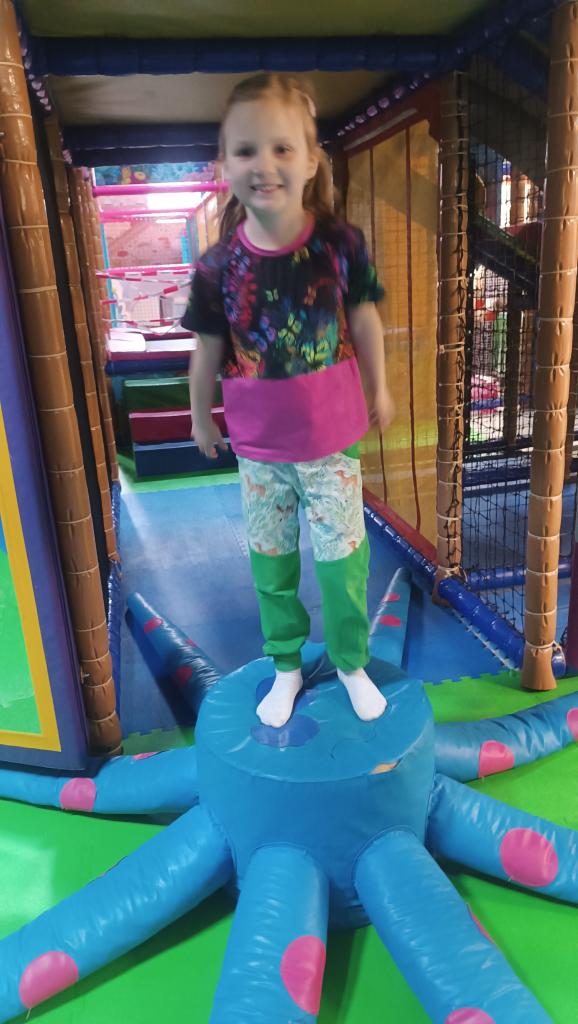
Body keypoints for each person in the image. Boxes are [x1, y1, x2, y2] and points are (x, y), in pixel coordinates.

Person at [183, 73, 395, 729]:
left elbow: (364, 318)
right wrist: (198, 415)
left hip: (330, 438)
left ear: (309, 162)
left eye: (281, 148)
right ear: (225, 164)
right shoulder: (217, 266)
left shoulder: (338, 244)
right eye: (246, 150)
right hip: (260, 448)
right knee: (271, 565)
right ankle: (286, 664)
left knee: (343, 562)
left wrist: (380, 385)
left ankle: (351, 661)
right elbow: (208, 346)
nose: (263, 165)